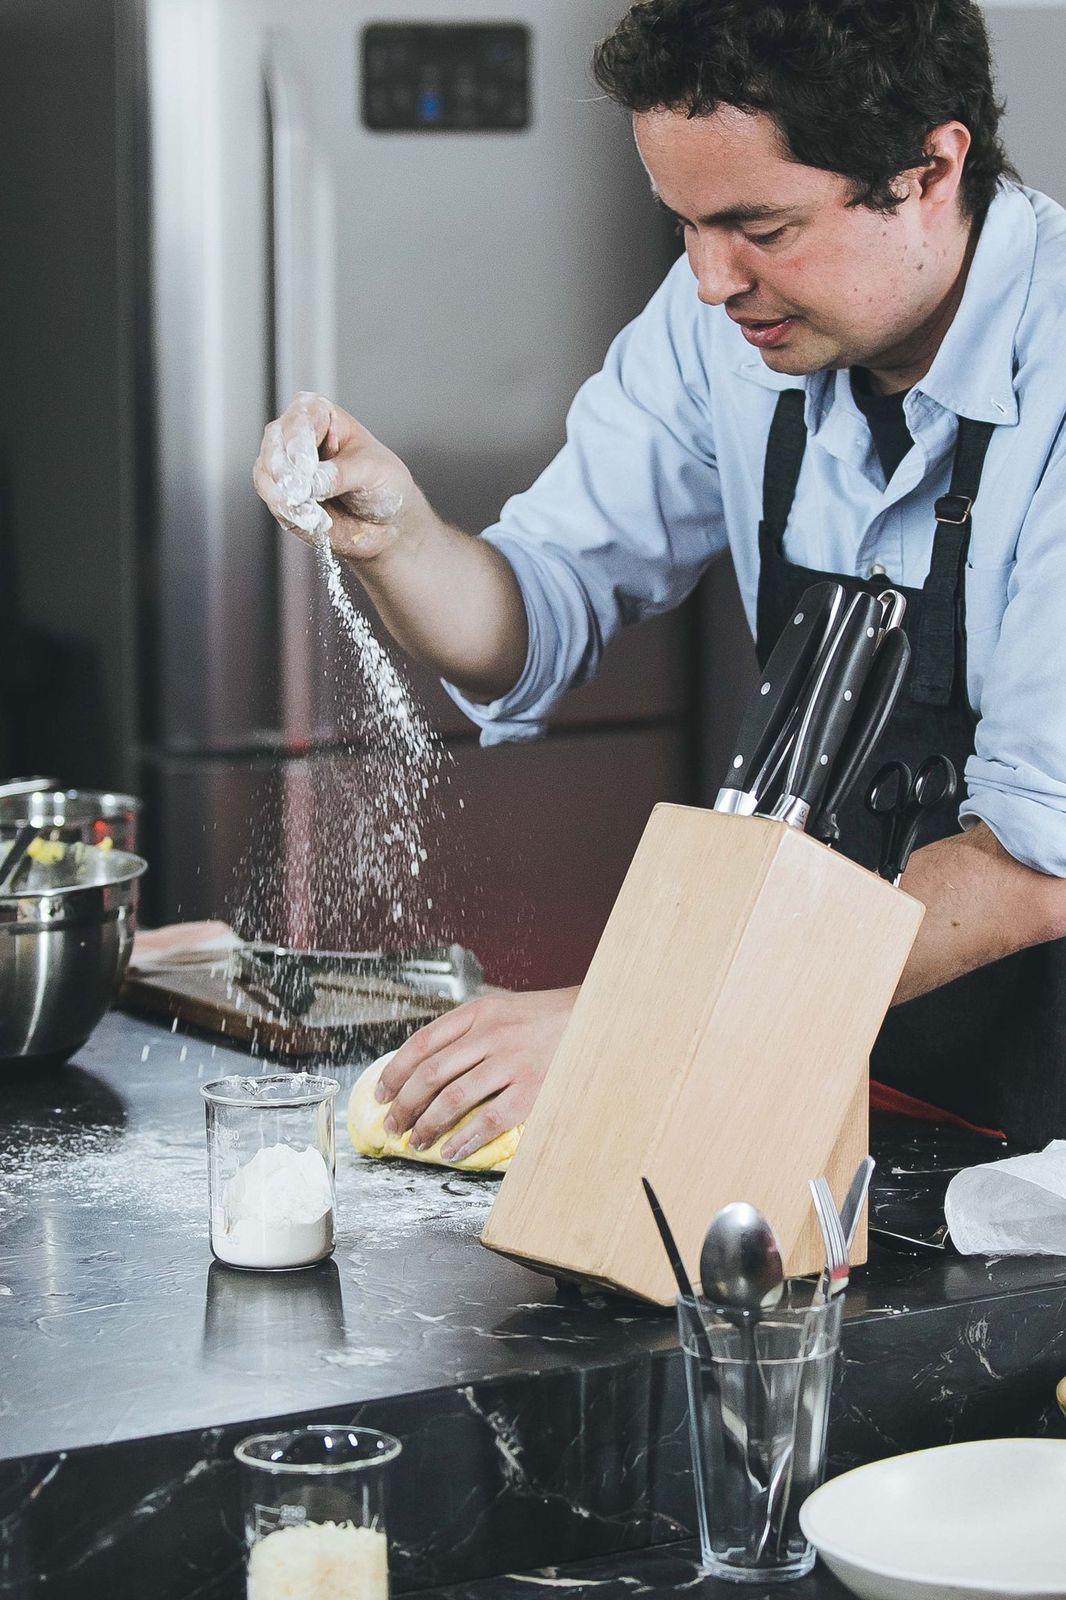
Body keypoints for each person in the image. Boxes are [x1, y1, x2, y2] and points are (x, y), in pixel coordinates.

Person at [255, 0, 1066, 1155]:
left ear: (928, 169)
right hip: (830, 1075)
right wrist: (395, 535)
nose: (708, 281)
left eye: (759, 227)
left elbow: (1035, 868)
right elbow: (529, 618)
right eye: (682, 224)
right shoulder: (726, 341)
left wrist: (639, 1017)